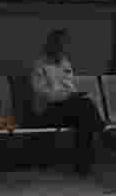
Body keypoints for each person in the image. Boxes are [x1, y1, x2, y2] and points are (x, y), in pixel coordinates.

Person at [27, 25, 103, 177]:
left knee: (84, 117)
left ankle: (83, 164)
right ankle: (87, 156)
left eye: (64, 44)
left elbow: (70, 86)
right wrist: (65, 95)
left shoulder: (65, 63)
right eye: (60, 44)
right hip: (47, 111)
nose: (62, 48)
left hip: (66, 108)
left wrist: (72, 95)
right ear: (52, 44)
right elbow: (41, 92)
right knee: (85, 109)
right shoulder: (39, 65)